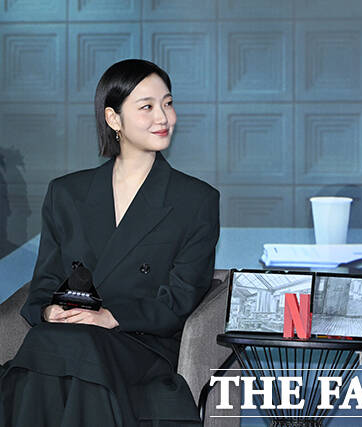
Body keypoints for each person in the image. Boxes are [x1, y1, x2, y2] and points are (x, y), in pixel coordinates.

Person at [0, 59, 220, 426]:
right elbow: (44, 284)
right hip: (67, 338)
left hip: (140, 343)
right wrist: (48, 312)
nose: (163, 117)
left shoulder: (196, 200)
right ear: (113, 118)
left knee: (58, 350)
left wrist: (111, 316)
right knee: (57, 342)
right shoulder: (66, 193)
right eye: (147, 106)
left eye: (168, 103)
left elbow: (181, 299)